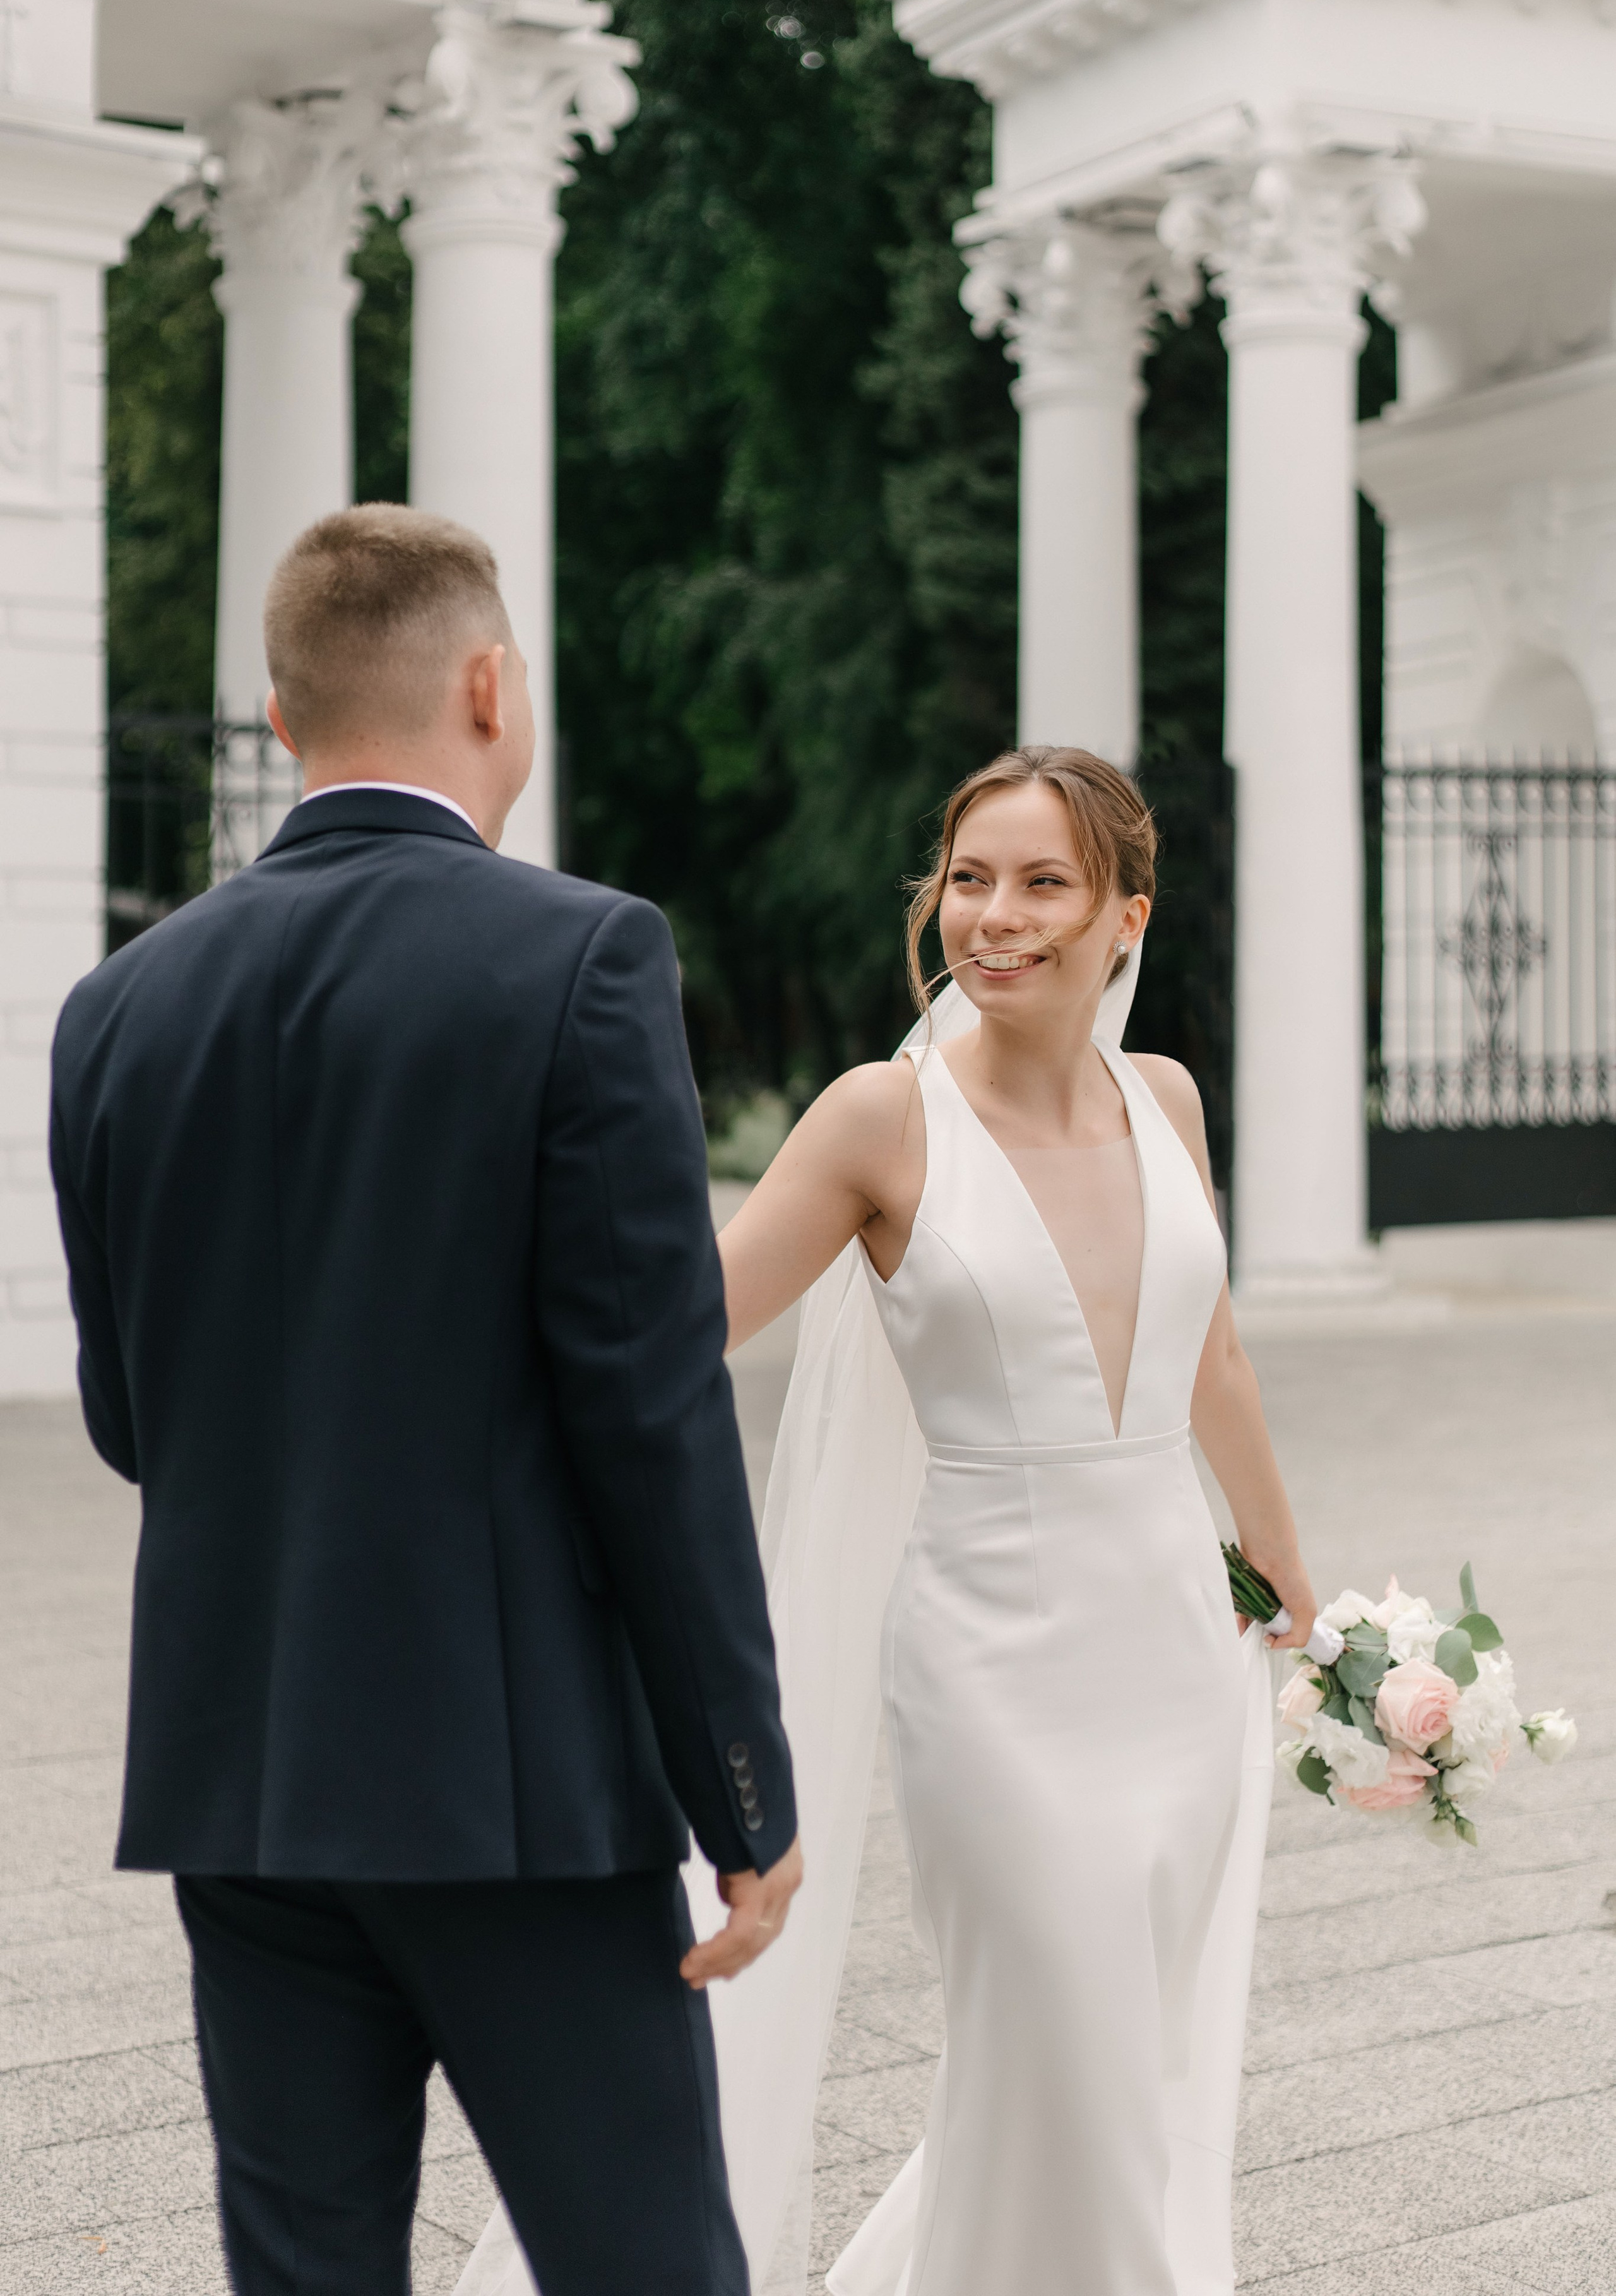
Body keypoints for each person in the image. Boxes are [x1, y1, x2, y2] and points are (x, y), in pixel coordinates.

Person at [49, 504, 802, 2296]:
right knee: (648, 2270)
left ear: (284, 710)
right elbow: (652, 1416)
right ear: (487, 683)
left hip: (244, 1778)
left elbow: (126, 1417)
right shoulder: (581, 958)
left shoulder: (115, 1009)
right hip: (515, 1788)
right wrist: (744, 1797)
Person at [709, 747, 1316, 2296]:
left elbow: (1217, 1355)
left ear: (1125, 914)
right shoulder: (879, 1122)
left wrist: (1288, 1577)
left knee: (1122, 2074)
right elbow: (681, 1318)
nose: (995, 917)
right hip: (990, 1669)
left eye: (1043, 881)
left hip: (1177, 1654)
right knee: (1057, 2033)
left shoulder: (1163, 1100)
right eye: (969, 879)